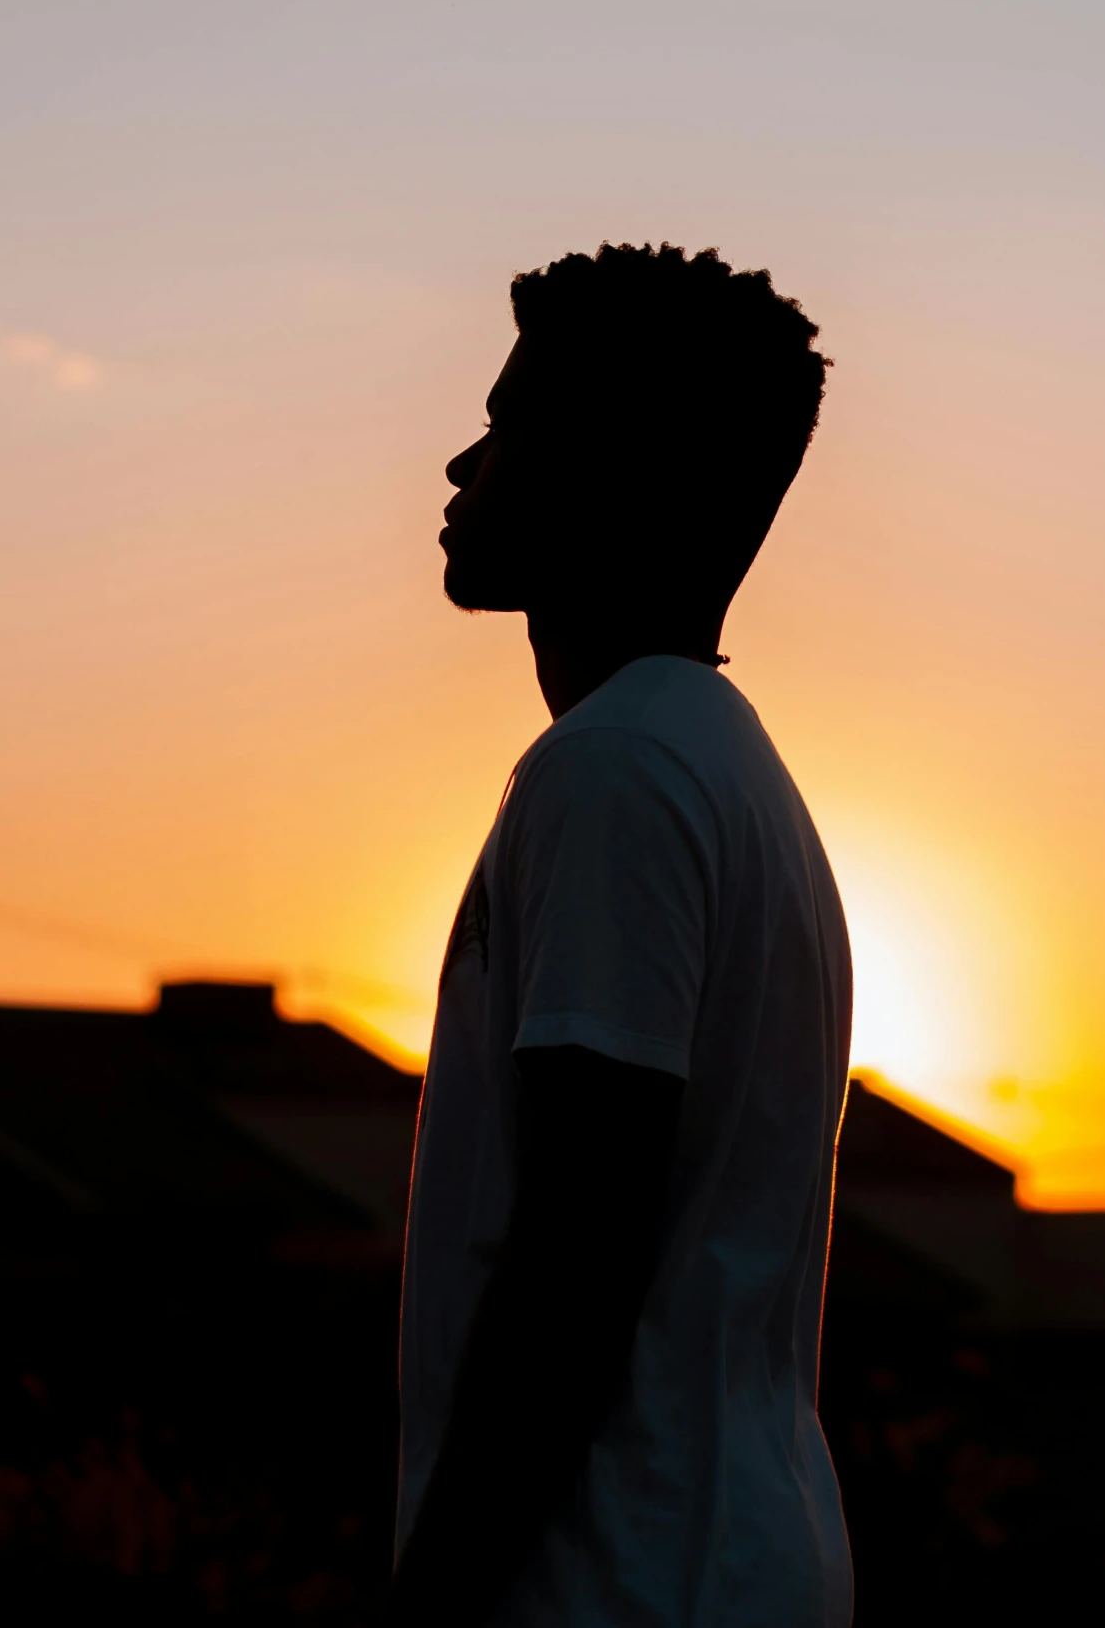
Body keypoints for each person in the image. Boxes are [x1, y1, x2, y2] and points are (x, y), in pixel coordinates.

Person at [391, 242, 853, 1628]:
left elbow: (580, 1251)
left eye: (510, 424)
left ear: (618, 473)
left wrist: (437, 1598)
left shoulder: (615, 773)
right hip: (716, 1558)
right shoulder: (714, 764)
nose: (463, 467)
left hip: (623, 1580)